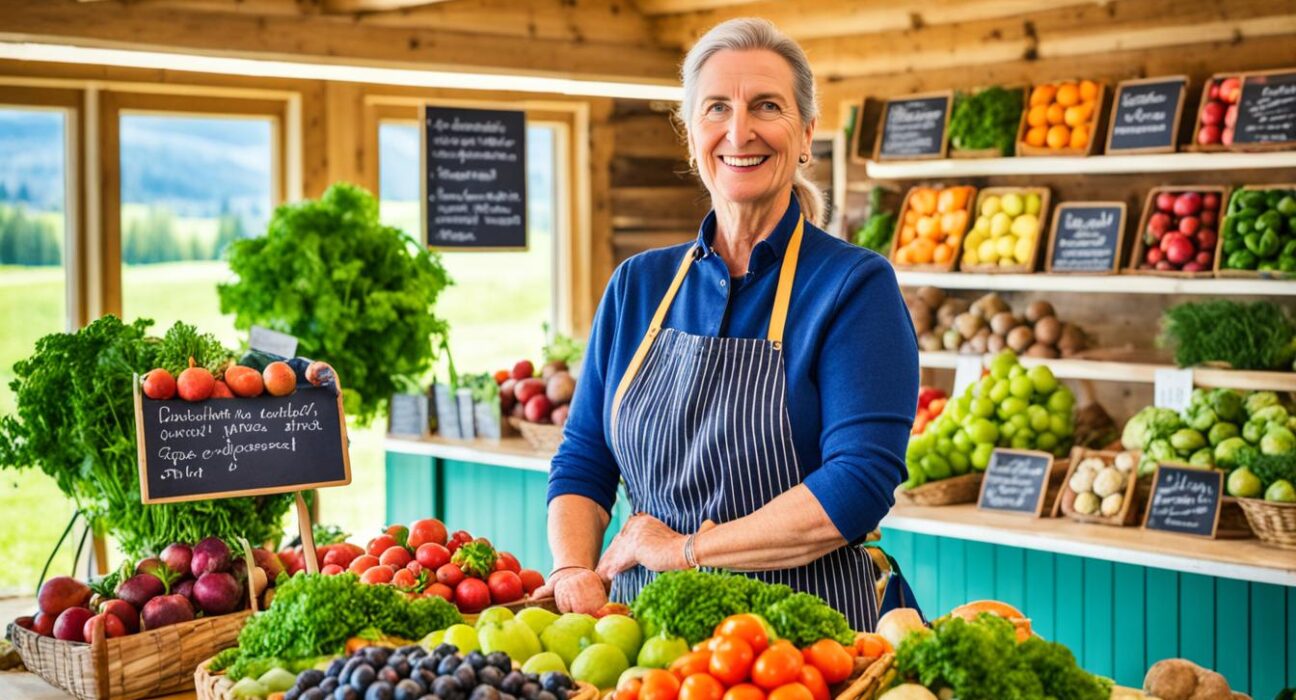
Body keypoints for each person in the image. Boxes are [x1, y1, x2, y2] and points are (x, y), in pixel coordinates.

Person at [535, 17, 918, 631]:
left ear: (806, 136)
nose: (739, 130)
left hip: (804, 636)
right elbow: (585, 456)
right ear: (692, 137)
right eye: (716, 108)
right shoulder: (638, 284)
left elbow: (858, 483)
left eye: (766, 106)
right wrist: (570, 568)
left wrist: (682, 551)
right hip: (643, 632)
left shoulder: (853, 286)